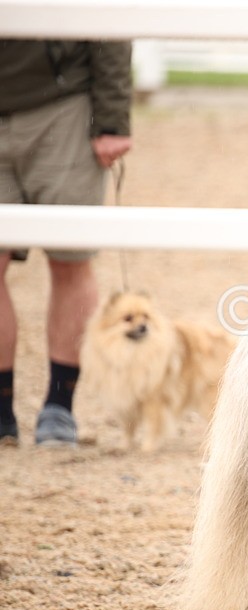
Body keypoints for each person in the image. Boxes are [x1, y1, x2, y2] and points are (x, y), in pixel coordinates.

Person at [0, 39, 132, 447]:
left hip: (62, 104)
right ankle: (2, 409)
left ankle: (60, 405)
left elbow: (108, 21)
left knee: (70, 257)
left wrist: (111, 118)